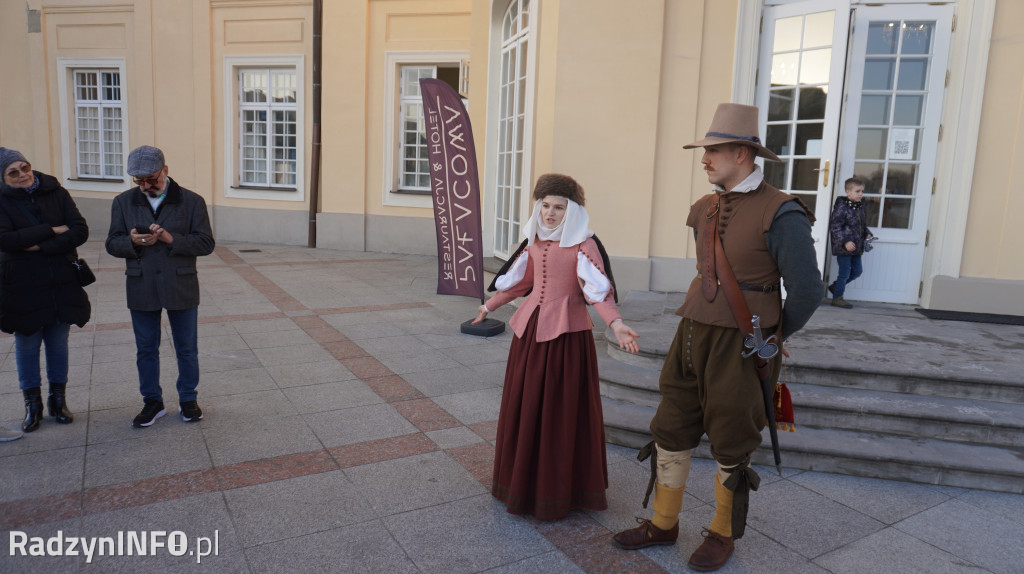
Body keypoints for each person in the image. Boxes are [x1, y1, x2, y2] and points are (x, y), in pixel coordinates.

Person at [611, 104, 823, 571]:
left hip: (743, 343)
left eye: (715, 151)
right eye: (705, 151)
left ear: (744, 155)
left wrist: (775, 332)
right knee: (672, 423)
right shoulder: (704, 207)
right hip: (691, 332)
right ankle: (663, 523)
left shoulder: (781, 211)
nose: (705, 159)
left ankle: (722, 534)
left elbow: (809, 289)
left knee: (732, 433)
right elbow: (707, 271)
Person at [472, 173, 640, 520]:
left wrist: (617, 323)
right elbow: (521, 284)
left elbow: (599, 293)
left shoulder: (584, 245)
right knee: (526, 403)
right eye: (545, 206)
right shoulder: (533, 243)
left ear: (572, 210)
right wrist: (490, 306)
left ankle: (560, 488)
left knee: (560, 411)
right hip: (530, 334)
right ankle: (522, 482)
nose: (550, 213)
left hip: (567, 338)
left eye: (558, 207)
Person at [105, 146, 215, 428]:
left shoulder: (192, 201)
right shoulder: (123, 202)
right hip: (141, 283)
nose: (145, 186)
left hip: (181, 282)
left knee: (186, 348)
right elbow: (112, 243)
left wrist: (170, 239)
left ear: (165, 170)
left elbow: (205, 243)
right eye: (138, 181)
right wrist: (131, 242)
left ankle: (188, 399)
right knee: (145, 348)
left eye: (151, 179)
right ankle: (152, 402)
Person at [0, 147, 91, 433]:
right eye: (13, 173)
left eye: (24, 168)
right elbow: (6, 241)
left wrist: (38, 246)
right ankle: (33, 405)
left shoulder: (56, 191)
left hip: (61, 280)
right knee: (27, 344)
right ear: (3, 178)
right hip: (22, 285)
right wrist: (52, 230)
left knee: (57, 342)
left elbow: (79, 230)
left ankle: (58, 401)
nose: (22, 176)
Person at [827, 177, 873, 309]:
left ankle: (836, 287)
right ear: (848, 192)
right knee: (844, 273)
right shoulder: (842, 208)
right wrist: (845, 241)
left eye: (862, 191)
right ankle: (837, 298)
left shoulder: (860, 208)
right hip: (844, 247)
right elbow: (835, 227)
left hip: (857, 247)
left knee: (857, 271)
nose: (861, 194)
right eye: (857, 191)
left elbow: (863, 225)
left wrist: (867, 233)